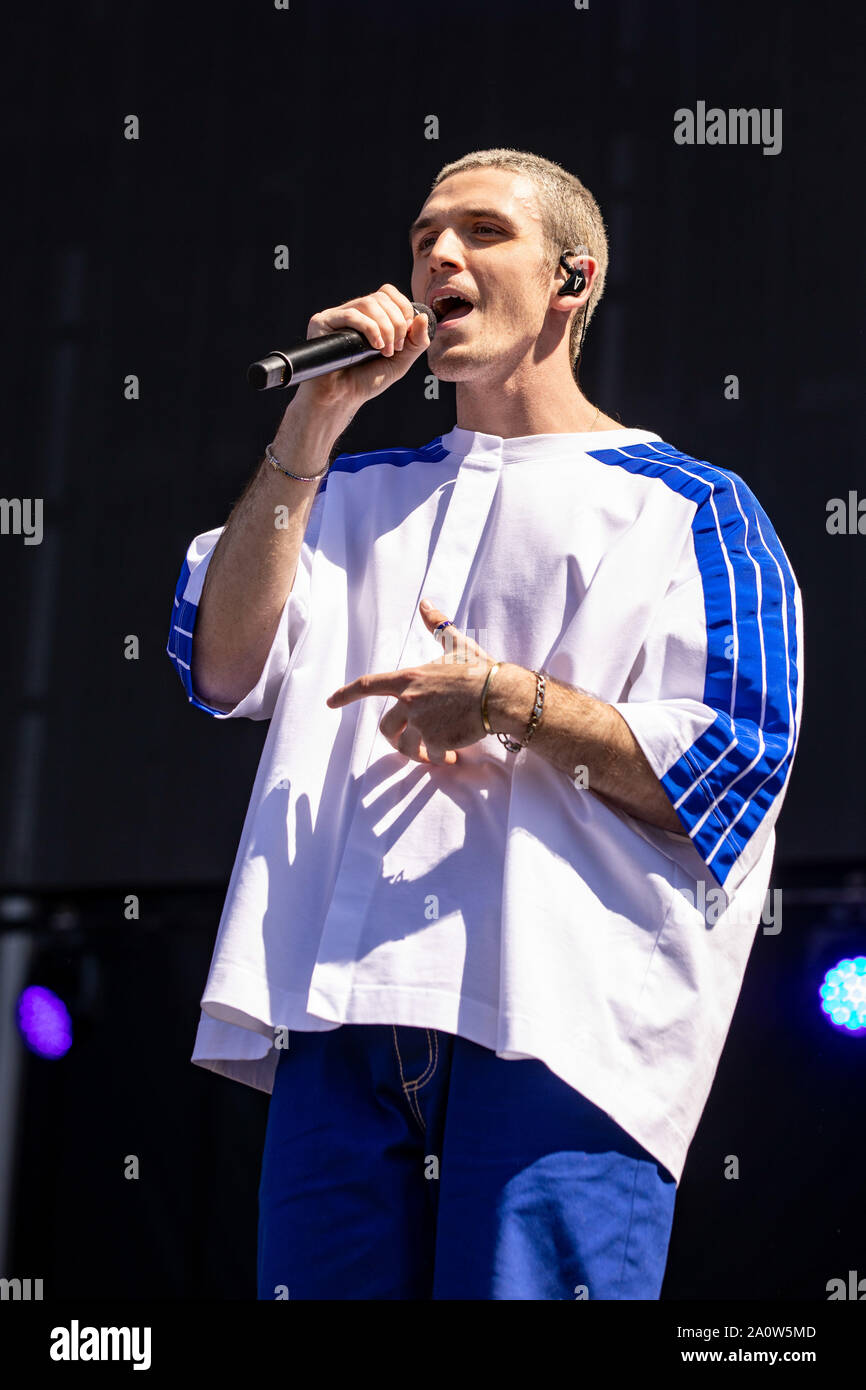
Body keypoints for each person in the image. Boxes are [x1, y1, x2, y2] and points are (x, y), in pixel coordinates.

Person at [166, 147, 804, 1301]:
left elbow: (723, 768)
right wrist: (313, 425)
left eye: (478, 232)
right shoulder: (343, 493)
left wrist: (509, 701)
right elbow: (220, 667)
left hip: (553, 1029)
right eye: (421, 239)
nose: (436, 257)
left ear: (571, 278)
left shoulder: (691, 510)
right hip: (334, 1014)